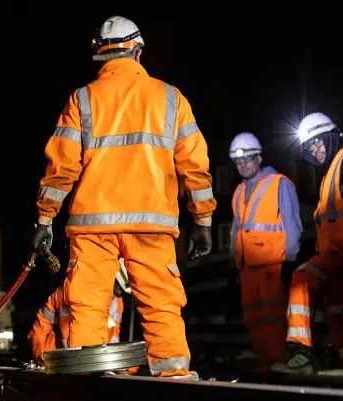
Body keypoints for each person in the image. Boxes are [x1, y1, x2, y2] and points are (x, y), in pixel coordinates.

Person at [30, 15, 216, 379]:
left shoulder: (81, 99)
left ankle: (90, 393)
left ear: (98, 54)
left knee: (87, 309)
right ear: (139, 51)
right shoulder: (170, 97)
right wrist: (203, 220)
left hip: (91, 226)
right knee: (162, 306)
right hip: (152, 222)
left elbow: (61, 167)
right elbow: (194, 164)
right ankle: (175, 387)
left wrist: (44, 219)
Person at [271, 112, 343, 376]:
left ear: (330, 138)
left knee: (301, 278)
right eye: (310, 147)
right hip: (337, 257)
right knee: (341, 314)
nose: (315, 150)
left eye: (318, 142)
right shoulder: (330, 174)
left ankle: (300, 353)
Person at [227, 132, 303, 371]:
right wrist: (232, 265)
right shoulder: (239, 192)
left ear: (259, 158)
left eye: (247, 159)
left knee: (274, 317)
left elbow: (293, 226)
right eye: (238, 162)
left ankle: (279, 365)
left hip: (273, 266)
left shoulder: (279, 184)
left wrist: (290, 261)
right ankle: (264, 366)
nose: (243, 165)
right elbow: (235, 231)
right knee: (254, 320)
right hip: (247, 269)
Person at [28, 269, 126, 365]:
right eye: (118, 286)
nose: (120, 292)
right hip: (60, 361)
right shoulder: (63, 295)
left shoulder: (117, 303)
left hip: (92, 364)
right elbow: (39, 331)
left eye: (122, 289)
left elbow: (113, 336)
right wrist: (44, 358)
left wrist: (114, 364)